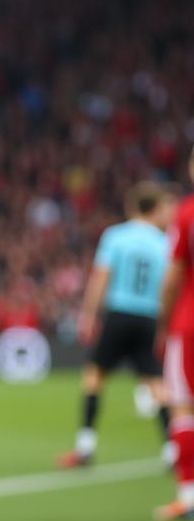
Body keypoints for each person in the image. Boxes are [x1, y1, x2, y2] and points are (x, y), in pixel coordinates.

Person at [58, 181, 177, 469]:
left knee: (94, 378)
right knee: (157, 385)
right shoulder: (164, 243)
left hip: (120, 314)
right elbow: (169, 286)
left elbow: (101, 278)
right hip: (149, 317)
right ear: (155, 209)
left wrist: (88, 315)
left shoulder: (116, 236)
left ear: (133, 207)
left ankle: (85, 447)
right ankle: (172, 451)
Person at [155, 147, 194, 521]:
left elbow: (173, 276)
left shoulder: (186, 212)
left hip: (189, 323)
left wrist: (163, 322)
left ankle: (188, 496)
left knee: (183, 408)